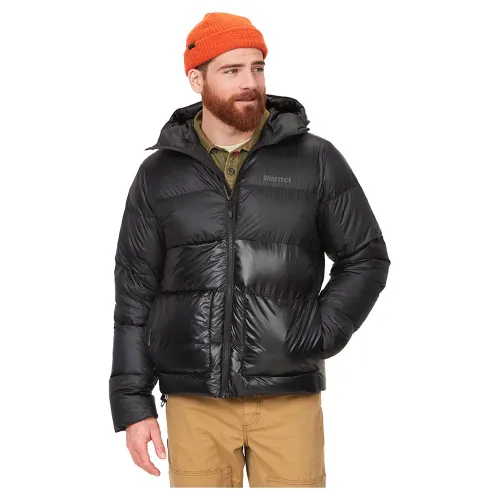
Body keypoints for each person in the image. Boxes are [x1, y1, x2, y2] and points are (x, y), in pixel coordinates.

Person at [109, 11, 391, 488]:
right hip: (194, 402)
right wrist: (134, 405)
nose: (250, 82)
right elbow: (134, 295)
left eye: (257, 67)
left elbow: (366, 257)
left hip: (288, 399)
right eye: (232, 70)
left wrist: (316, 333)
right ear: (196, 79)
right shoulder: (158, 175)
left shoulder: (315, 159)